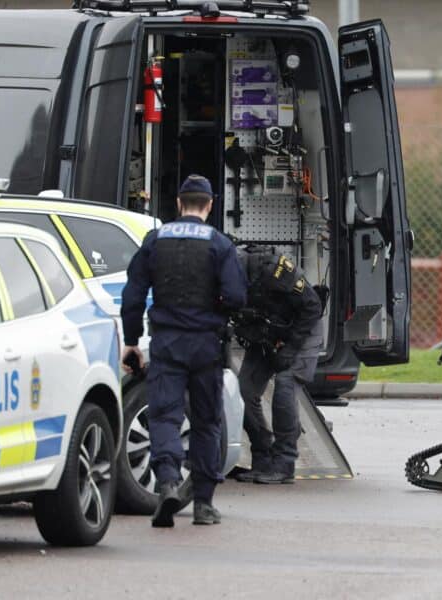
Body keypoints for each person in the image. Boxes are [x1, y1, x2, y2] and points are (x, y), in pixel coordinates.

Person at [121, 174, 246, 527]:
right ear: (209, 205)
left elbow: (132, 296)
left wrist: (132, 342)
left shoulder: (155, 240)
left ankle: (167, 483)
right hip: (206, 344)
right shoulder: (219, 244)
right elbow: (237, 296)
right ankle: (204, 504)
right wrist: (217, 308)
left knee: (165, 416)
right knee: (207, 421)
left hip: (166, 342)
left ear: (178, 203)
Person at [233, 245, 323, 484]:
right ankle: (262, 456)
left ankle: (284, 463)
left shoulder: (273, 269)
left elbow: (313, 306)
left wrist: (292, 347)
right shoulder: (221, 277)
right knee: (244, 391)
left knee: (285, 384)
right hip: (266, 333)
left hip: (303, 329)